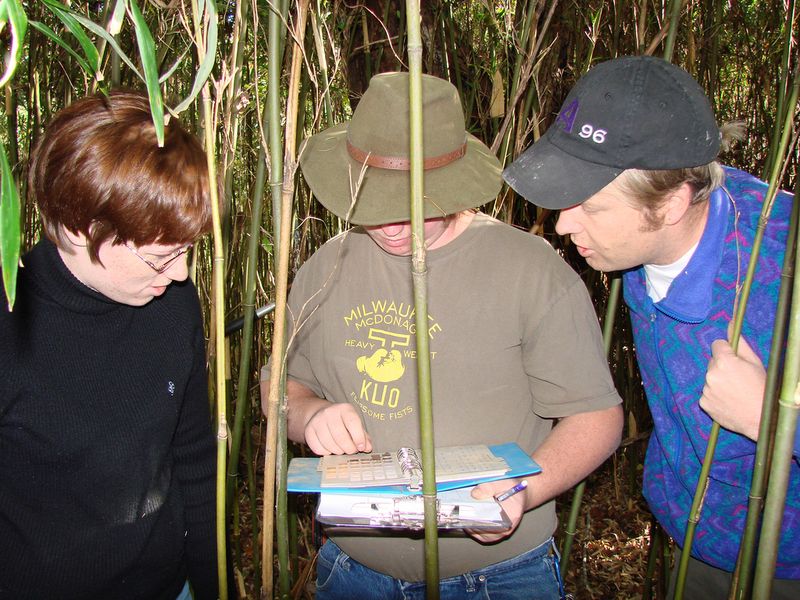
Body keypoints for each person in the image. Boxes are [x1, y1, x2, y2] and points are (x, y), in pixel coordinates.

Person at [261, 71, 623, 600]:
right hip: (354, 569)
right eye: (375, 206)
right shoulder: (326, 267)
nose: (390, 227)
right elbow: (281, 389)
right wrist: (310, 414)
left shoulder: (531, 270)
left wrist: (525, 490)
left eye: (410, 208)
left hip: (499, 577)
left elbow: (597, 417)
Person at [503, 55, 800, 598]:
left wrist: (774, 422)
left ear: (672, 204)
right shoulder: (637, 245)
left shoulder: (782, 273)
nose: (564, 225)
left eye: (590, 207)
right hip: (692, 535)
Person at [0, 91, 219, 599]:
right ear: (81, 229)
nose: (181, 274)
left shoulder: (171, 302)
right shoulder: (10, 326)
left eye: (188, 251)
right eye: (161, 257)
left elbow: (193, 459)